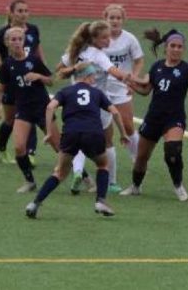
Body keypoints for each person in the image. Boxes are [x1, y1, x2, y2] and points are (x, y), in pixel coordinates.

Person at [25, 62, 129, 219]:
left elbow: (50, 107)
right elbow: (115, 113)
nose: (94, 78)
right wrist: (123, 134)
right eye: (93, 75)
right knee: (103, 165)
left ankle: (35, 204)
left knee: (60, 172)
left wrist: (48, 132)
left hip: (71, 133)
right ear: (87, 76)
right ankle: (100, 201)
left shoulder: (66, 91)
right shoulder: (97, 93)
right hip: (93, 133)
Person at [120, 28, 188, 201]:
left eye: (179, 46)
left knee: (172, 152)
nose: (176, 49)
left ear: (183, 49)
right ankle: (136, 186)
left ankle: (178, 186)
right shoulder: (157, 67)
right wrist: (131, 84)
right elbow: (146, 90)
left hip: (174, 118)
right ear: (166, 48)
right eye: (173, 46)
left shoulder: (187, 70)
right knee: (141, 157)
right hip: (153, 118)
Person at [56, 20, 137, 194]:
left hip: (74, 103)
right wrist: (129, 78)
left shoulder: (76, 51)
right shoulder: (99, 55)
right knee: (108, 142)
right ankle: (112, 182)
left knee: (77, 143)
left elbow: (59, 69)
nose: (108, 41)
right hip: (97, 104)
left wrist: (73, 68)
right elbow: (114, 72)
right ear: (94, 38)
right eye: (104, 38)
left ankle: (78, 172)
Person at [0, 0, 45, 165]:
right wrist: (9, 69)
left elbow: (38, 51)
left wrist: (42, 69)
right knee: (10, 120)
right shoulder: (4, 33)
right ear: (11, 13)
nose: (23, 14)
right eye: (19, 11)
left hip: (30, 84)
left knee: (29, 115)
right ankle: (1, 149)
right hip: (12, 84)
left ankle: (30, 154)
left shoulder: (33, 30)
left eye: (26, 10)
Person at [0, 26, 53, 193]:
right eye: (13, 40)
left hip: (42, 107)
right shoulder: (7, 65)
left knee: (60, 147)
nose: (17, 42)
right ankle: (29, 181)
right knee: (19, 147)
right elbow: (0, 88)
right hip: (23, 110)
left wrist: (38, 76)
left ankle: (84, 177)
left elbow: (50, 81)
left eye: (20, 39)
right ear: (7, 43)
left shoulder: (34, 60)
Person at [101, 4, 145, 191]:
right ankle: (109, 174)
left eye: (118, 18)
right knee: (106, 132)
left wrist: (133, 79)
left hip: (121, 88)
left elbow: (139, 59)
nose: (115, 21)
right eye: (111, 17)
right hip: (102, 88)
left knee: (127, 126)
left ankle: (137, 159)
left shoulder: (129, 39)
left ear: (123, 20)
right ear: (105, 18)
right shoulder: (100, 39)